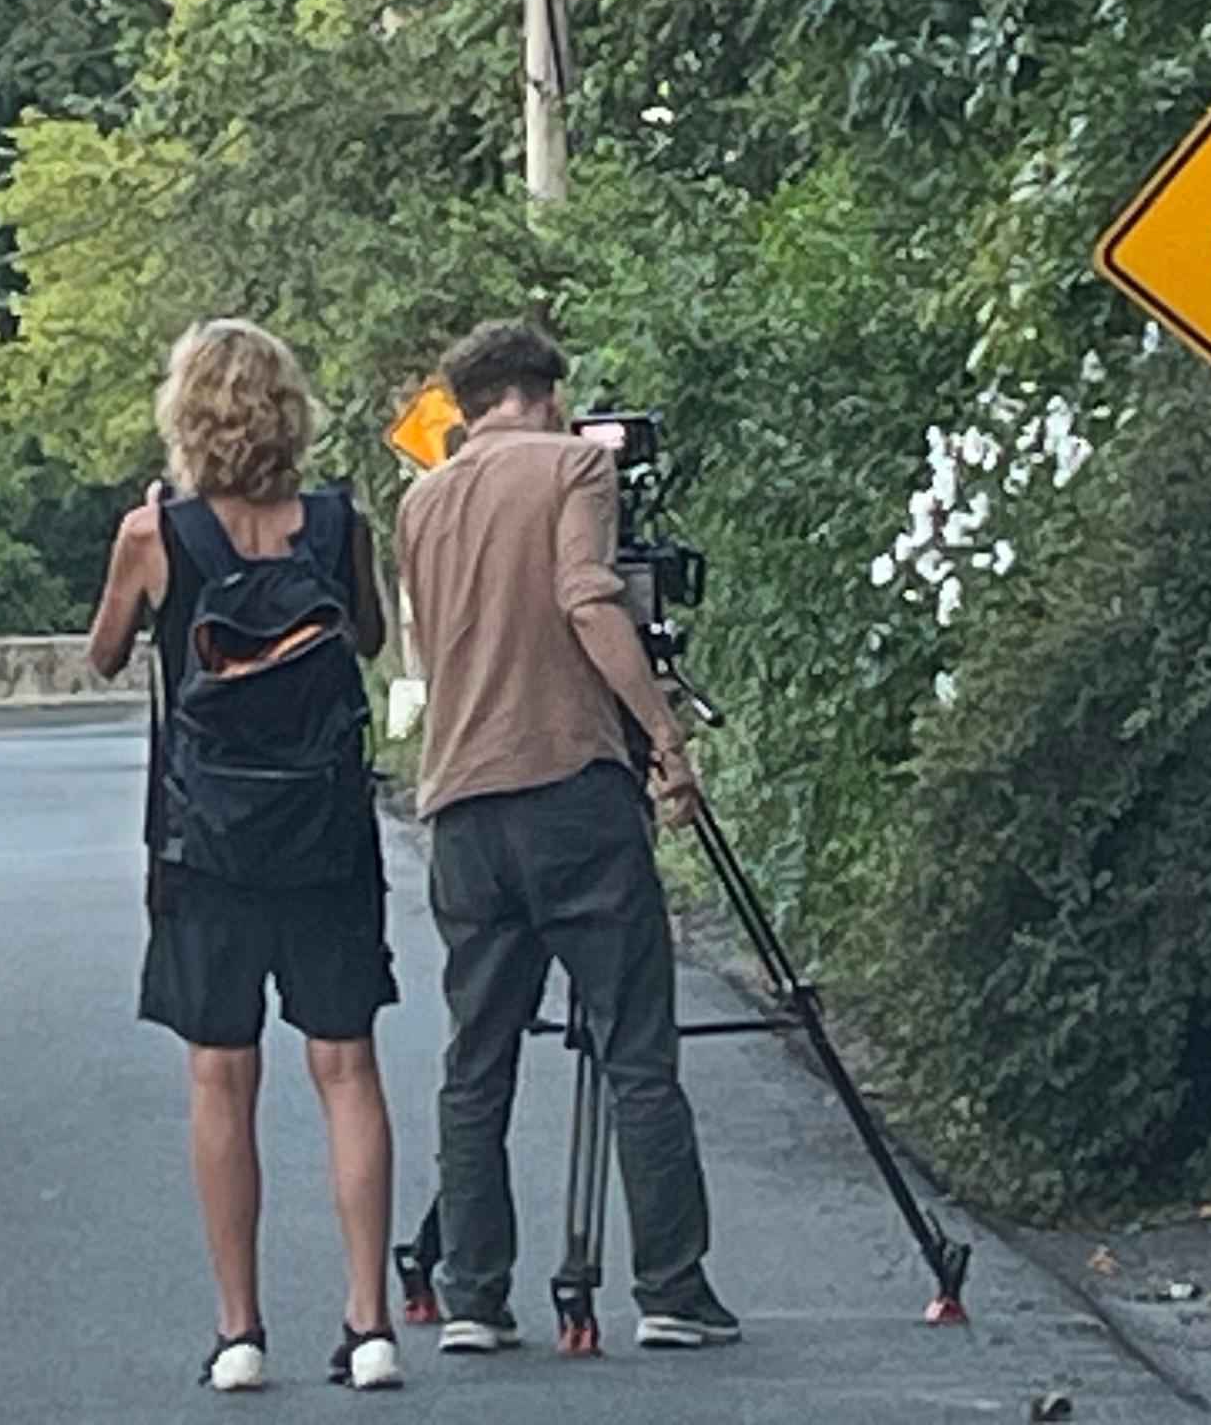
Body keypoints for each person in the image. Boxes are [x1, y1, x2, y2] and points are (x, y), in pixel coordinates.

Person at [398, 318, 739, 1354]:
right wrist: (665, 735)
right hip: (570, 788)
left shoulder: (421, 501)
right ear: (545, 393)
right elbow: (589, 601)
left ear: (468, 404)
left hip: (462, 804)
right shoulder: (574, 469)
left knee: (477, 1062)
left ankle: (473, 1295)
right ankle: (671, 1287)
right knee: (636, 1048)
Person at [89, 320, 405, 1394]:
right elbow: (367, 638)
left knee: (222, 1076)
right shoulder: (338, 523)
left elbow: (104, 655)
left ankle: (240, 1333)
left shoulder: (156, 534)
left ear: (186, 417)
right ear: (289, 415)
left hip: (207, 844)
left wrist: (150, 546)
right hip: (327, 837)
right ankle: (369, 1323)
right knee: (347, 1067)